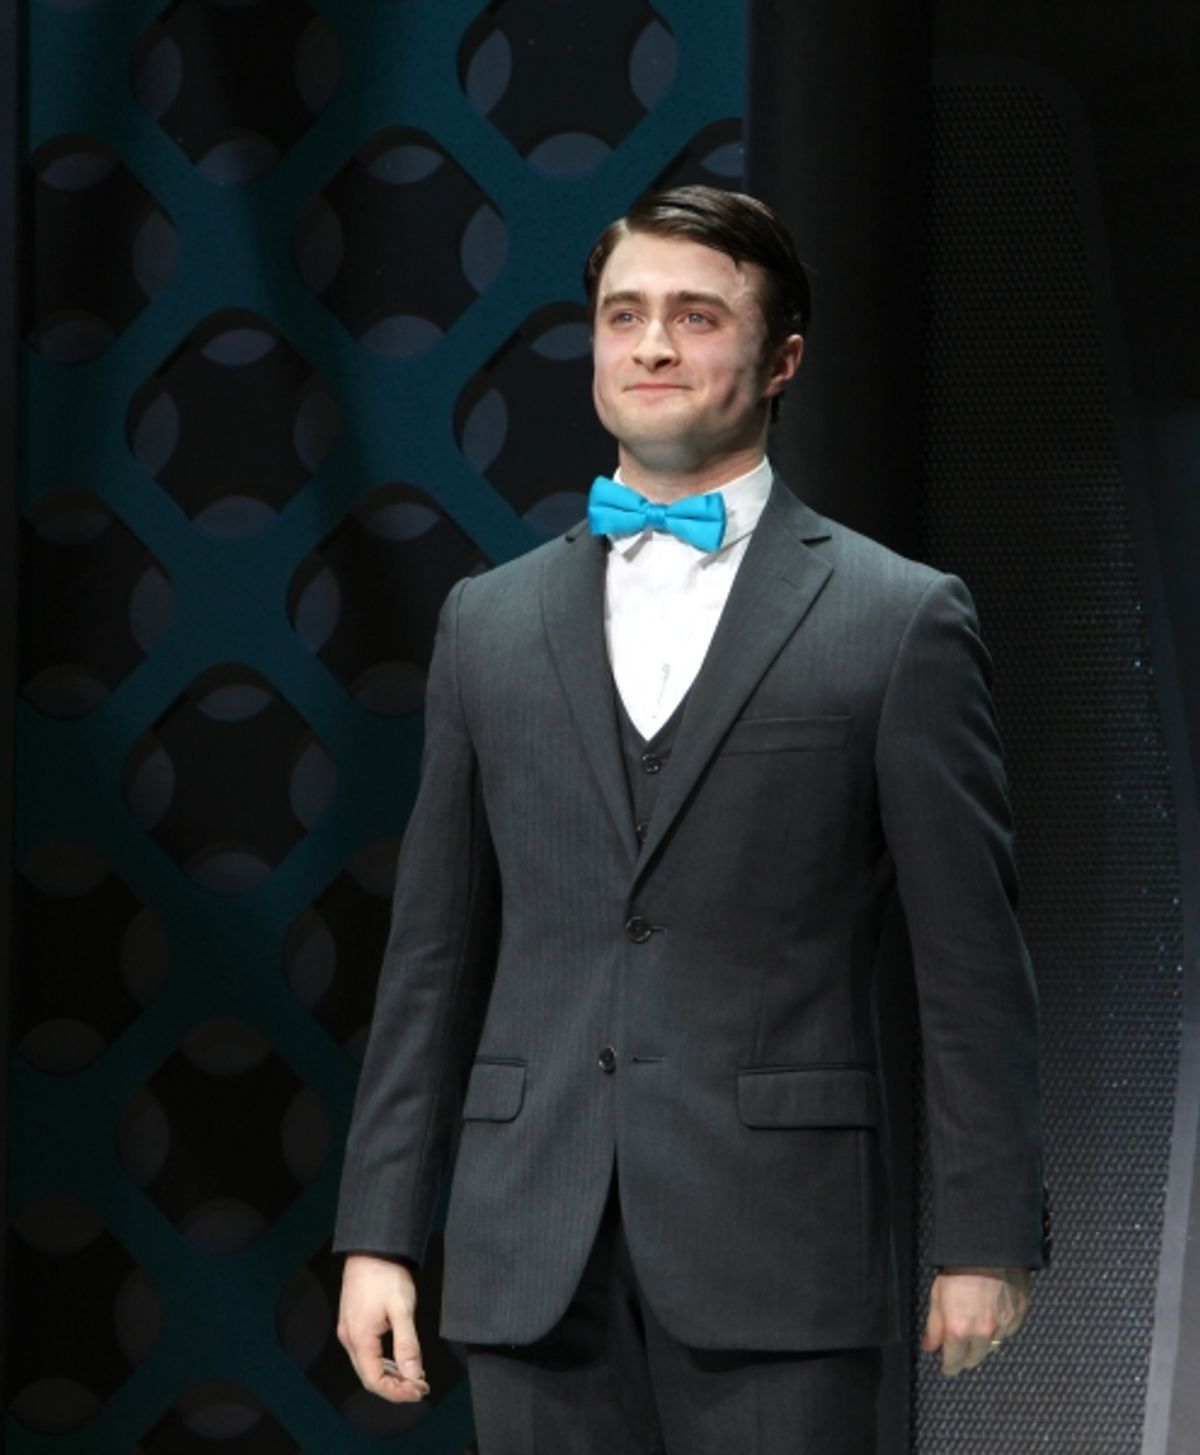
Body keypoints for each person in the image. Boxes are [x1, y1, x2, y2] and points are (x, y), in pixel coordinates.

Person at [333, 185, 1046, 1454]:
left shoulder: (899, 618)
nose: (653, 344)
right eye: (625, 315)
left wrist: (986, 1235)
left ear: (781, 361)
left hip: (779, 1245)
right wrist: (379, 1229)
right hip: (529, 1242)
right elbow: (431, 959)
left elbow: (970, 961)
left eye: (696, 316)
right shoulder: (485, 625)